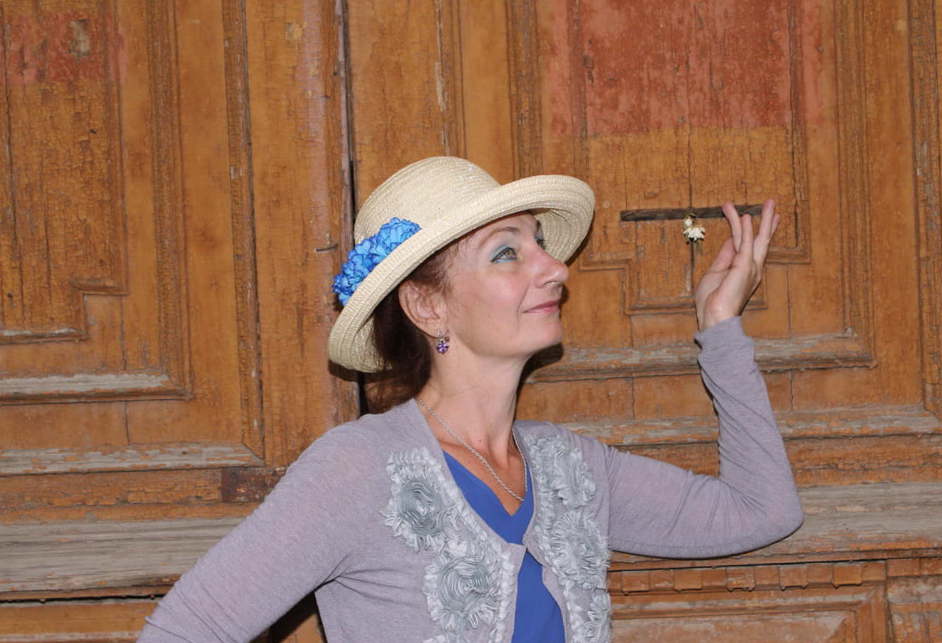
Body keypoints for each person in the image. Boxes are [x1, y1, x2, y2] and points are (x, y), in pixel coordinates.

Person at [139, 157, 803, 642]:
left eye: (540, 244)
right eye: (507, 253)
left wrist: (721, 327)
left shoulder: (570, 470)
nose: (554, 268)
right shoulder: (358, 470)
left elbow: (762, 510)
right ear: (428, 305)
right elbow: (186, 630)